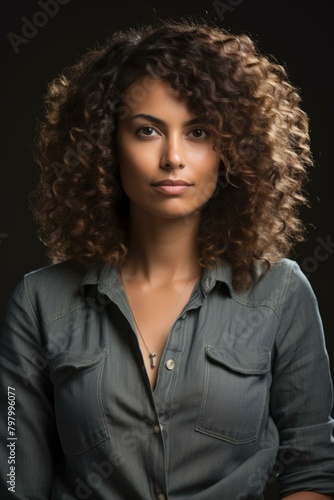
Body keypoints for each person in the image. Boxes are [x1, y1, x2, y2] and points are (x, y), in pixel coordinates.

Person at [0, 18, 333, 500]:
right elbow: (14, 478)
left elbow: (313, 470)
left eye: (198, 132)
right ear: (107, 147)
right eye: (147, 130)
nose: (173, 157)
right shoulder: (40, 302)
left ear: (230, 149)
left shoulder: (281, 292)